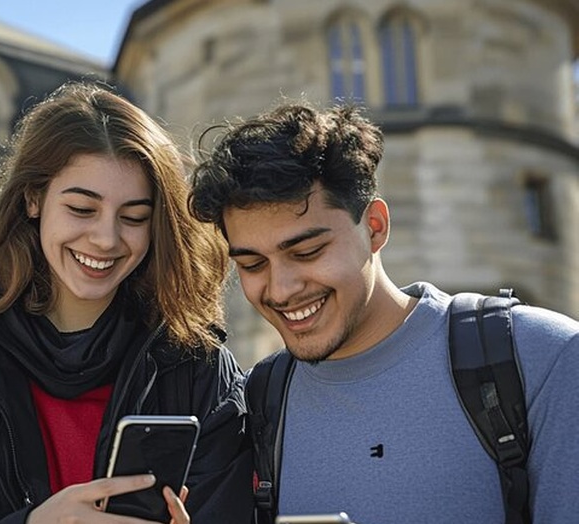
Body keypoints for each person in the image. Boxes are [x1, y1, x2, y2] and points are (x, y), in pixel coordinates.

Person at [0, 82, 253, 524]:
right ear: (33, 199)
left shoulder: (201, 372)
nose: (106, 239)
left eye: (133, 217)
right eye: (82, 210)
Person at [188, 101, 579, 523]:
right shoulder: (261, 396)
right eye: (252, 265)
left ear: (374, 227)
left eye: (307, 252)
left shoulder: (543, 356)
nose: (281, 289)